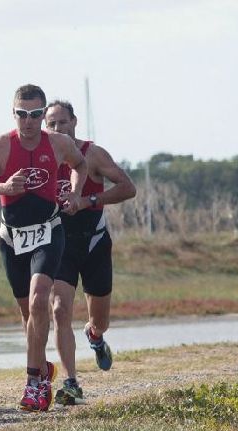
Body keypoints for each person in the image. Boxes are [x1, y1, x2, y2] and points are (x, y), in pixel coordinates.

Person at [0, 84, 87, 412]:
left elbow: (80, 165)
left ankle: (34, 384)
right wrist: (3, 186)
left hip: (48, 231)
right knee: (29, 315)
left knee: (41, 301)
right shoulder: (0, 146)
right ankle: (42, 366)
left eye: (36, 114)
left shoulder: (57, 143)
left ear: (42, 114)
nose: (29, 121)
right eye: (22, 114)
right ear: (14, 114)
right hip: (12, 237)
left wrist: (75, 194)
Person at [45, 100, 136, 405]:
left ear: (74, 123)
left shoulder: (92, 153)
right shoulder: (41, 156)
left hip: (94, 242)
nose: (58, 129)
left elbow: (128, 187)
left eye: (63, 122)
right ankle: (71, 382)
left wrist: (89, 200)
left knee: (101, 320)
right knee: (59, 309)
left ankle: (95, 336)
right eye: (52, 124)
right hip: (59, 244)